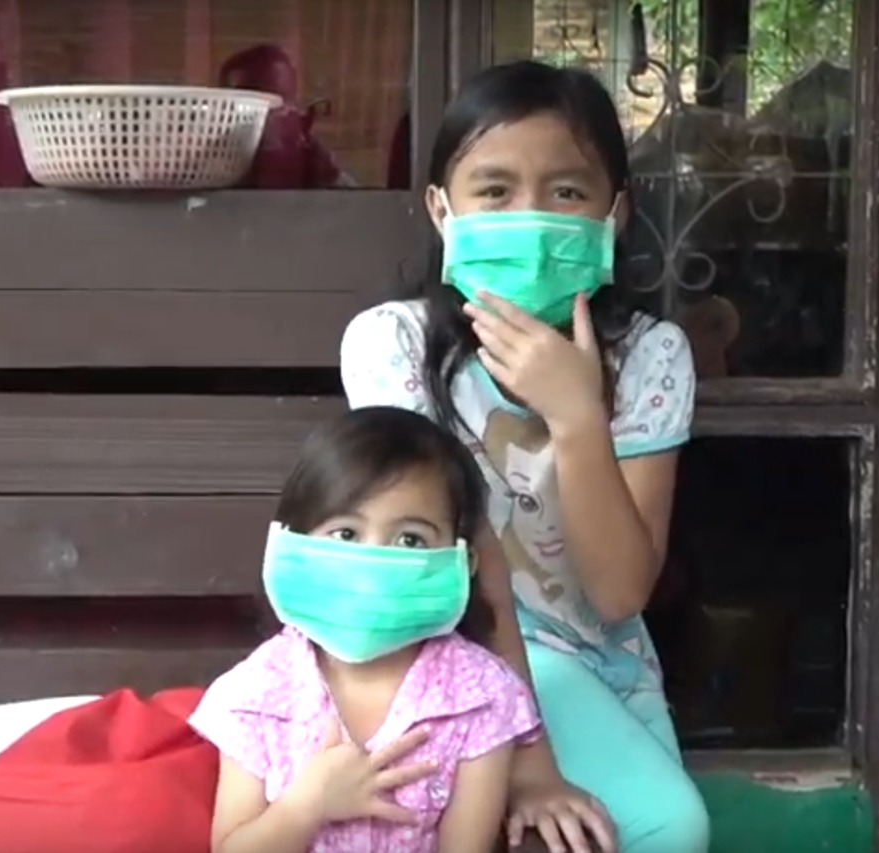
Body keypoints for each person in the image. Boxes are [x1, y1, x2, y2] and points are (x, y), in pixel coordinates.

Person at [339, 60, 710, 853]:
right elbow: (442, 564)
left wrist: (576, 414)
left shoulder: (650, 357)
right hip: (443, 652)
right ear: (443, 209)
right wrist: (528, 753)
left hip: (602, 664)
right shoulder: (393, 345)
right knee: (665, 825)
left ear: (614, 215)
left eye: (566, 192)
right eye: (495, 190)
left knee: (662, 831)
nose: (531, 216)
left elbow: (618, 593)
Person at [189, 406, 543, 853]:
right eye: (345, 534)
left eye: (410, 539)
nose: (373, 563)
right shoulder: (256, 697)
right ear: (293, 543)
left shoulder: (481, 698)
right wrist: (307, 806)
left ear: (461, 563)